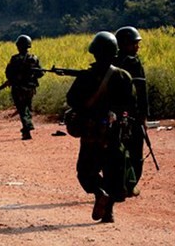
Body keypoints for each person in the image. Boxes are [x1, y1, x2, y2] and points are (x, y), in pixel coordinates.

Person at [66, 31, 137, 223]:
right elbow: (131, 104)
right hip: (115, 133)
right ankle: (109, 213)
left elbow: (72, 100)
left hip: (91, 132)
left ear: (94, 53)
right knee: (113, 172)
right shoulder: (124, 76)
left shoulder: (86, 77)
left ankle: (99, 193)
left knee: (85, 171)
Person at [114, 26, 149, 197]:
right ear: (124, 44)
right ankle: (131, 184)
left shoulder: (112, 61)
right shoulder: (134, 62)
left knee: (118, 150)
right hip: (132, 114)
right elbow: (142, 91)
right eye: (134, 43)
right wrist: (143, 116)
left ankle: (120, 183)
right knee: (135, 152)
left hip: (115, 113)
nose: (137, 47)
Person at [4, 34, 44, 140]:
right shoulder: (34, 58)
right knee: (27, 108)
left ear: (19, 46)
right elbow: (40, 73)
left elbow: (8, 73)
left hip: (18, 88)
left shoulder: (15, 59)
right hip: (31, 88)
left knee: (22, 110)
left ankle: (27, 128)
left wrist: (13, 79)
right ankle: (27, 127)